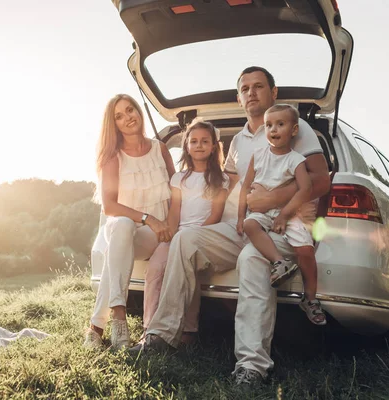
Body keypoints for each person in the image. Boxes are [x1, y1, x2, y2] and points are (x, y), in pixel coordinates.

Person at [130, 67, 330, 386]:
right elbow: (231, 185)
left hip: (278, 229)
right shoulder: (238, 140)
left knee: (252, 260)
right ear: (239, 98)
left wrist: (274, 197)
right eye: (245, 88)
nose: (251, 92)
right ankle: (160, 335)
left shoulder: (296, 127)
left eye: (258, 86)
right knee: (186, 240)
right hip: (239, 226)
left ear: (273, 93)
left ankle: (252, 366)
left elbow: (321, 180)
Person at [83, 94, 175, 351]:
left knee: (116, 251)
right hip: (124, 228)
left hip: (151, 236)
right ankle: (119, 315)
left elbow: (176, 189)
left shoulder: (161, 149)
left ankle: (96, 326)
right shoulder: (112, 157)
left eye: (130, 110)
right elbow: (110, 206)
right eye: (119, 116)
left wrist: (167, 222)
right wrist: (148, 218)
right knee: (122, 225)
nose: (128, 118)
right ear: (113, 124)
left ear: (139, 111)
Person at [237, 104, 326, 325]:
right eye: (268, 125)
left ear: (294, 130)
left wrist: (284, 215)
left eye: (280, 124)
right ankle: (279, 262)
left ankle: (311, 299)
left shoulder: (296, 160)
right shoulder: (257, 156)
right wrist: (240, 217)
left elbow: (305, 189)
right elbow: (245, 187)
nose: (273, 130)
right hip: (261, 212)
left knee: (305, 250)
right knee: (250, 225)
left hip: (289, 212)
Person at [143, 120, 229, 343]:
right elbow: (175, 212)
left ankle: (189, 330)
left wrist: (195, 237)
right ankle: (149, 327)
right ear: (187, 147)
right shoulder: (178, 178)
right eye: (193, 141)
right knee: (155, 268)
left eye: (204, 141)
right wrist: (168, 236)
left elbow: (215, 215)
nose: (199, 145)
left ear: (213, 147)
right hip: (177, 233)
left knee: (188, 271)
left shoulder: (221, 179)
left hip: (203, 235)